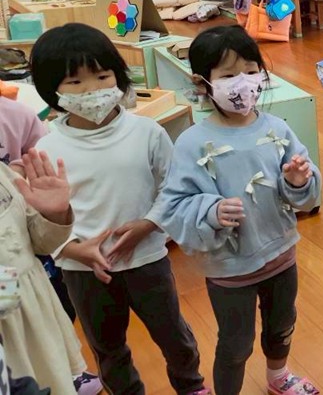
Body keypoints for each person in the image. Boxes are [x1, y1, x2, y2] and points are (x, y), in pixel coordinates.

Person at [30, 23, 209, 395]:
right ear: (52, 89)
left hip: (147, 258)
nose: (92, 89)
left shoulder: (146, 132)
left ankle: (191, 385)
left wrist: (149, 223)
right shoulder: (47, 148)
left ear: (119, 75)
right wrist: (72, 249)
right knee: (108, 347)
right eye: (75, 82)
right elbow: (39, 221)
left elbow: (174, 188)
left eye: (102, 76)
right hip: (83, 270)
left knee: (173, 334)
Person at [156, 25, 322, 395]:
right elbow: (174, 206)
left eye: (250, 71)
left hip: (281, 252)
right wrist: (211, 212)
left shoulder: (276, 128)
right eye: (229, 75)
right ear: (202, 83)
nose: (243, 83)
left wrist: (297, 181)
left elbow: (305, 192)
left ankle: (278, 376)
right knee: (235, 344)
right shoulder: (192, 143)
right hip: (230, 267)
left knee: (282, 324)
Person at [0, 99, 98, 395]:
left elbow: (40, 241)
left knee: (52, 380)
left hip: (33, 315)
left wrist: (55, 213)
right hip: (9, 329)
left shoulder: (5, 175)